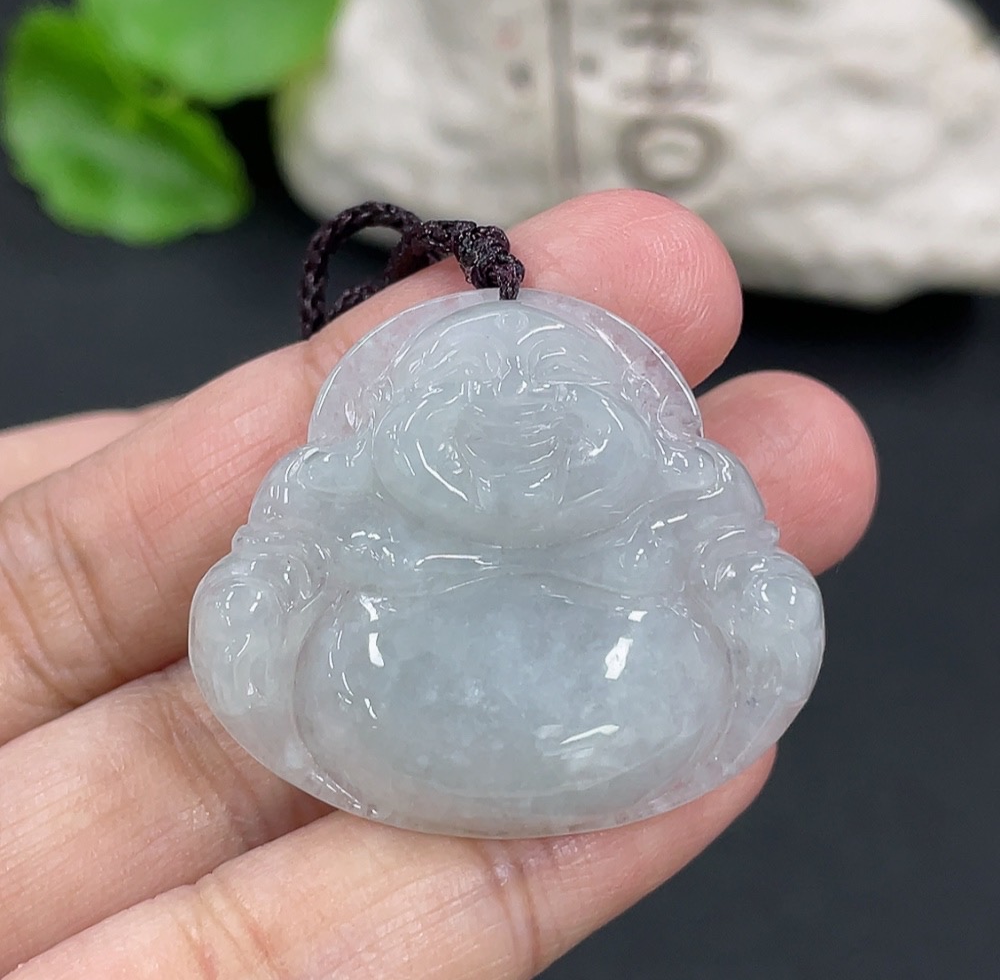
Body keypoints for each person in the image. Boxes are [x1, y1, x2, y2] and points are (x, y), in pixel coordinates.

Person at [0, 191, 877, 979]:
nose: (515, 406)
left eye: (556, 384)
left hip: (641, 716)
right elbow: (274, 576)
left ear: (639, 426)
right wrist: (258, 609)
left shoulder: (670, 502)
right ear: (390, 423)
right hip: (379, 713)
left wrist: (754, 602)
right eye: (468, 387)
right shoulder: (348, 500)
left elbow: (741, 572)